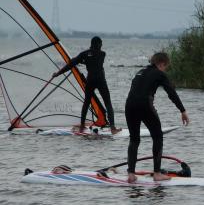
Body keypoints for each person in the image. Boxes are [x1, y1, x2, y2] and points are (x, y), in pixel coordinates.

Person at [125, 52, 189, 183]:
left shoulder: (140, 71)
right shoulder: (160, 74)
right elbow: (171, 92)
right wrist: (182, 110)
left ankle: (131, 174)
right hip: (144, 104)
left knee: (134, 139)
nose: (165, 69)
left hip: (129, 105)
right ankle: (157, 173)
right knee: (158, 136)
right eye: (166, 66)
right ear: (161, 64)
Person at [52, 36, 121, 134]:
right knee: (108, 103)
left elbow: (71, 64)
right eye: (101, 43)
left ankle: (82, 125)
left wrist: (58, 73)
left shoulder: (84, 54)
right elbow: (95, 60)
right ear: (99, 44)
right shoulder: (102, 54)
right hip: (101, 81)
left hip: (90, 81)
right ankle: (113, 128)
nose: (102, 45)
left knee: (86, 102)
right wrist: (84, 61)